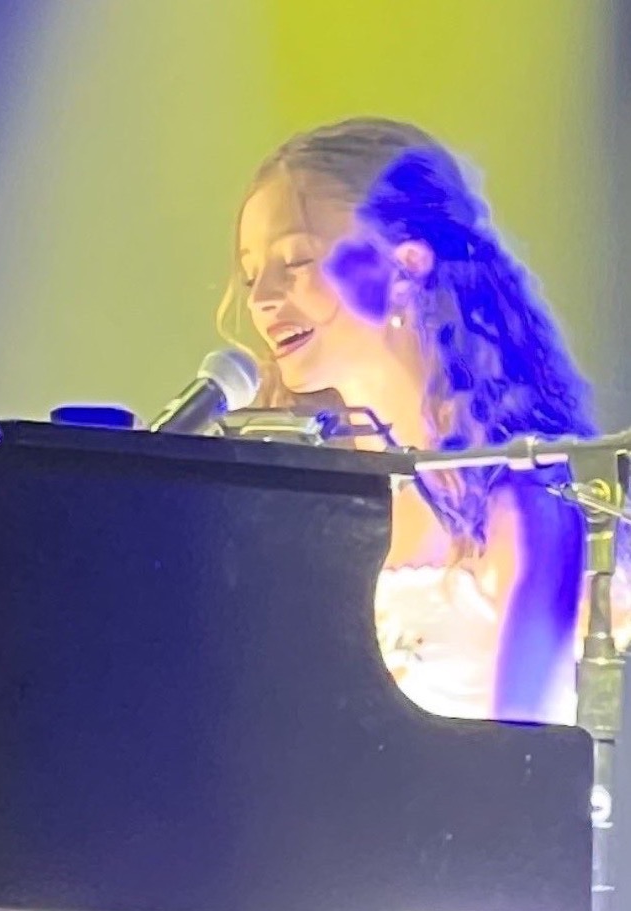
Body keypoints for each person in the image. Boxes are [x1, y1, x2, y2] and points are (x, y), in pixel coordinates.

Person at [219, 116, 630, 726]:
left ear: (405, 265)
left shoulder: (526, 502)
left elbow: (522, 768)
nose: (261, 299)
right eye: (253, 276)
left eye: (296, 260)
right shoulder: (296, 497)